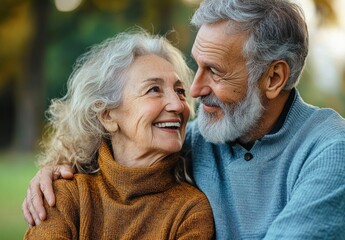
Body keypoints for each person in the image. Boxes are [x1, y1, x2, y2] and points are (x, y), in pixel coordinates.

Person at [23, 0, 345, 239]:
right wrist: (54, 172)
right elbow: (126, 151)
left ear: (273, 78)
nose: (193, 90)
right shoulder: (198, 138)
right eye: (197, 66)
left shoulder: (331, 153)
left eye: (215, 71)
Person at [23, 29, 215, 239]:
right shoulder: (64, 195)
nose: (178, 105)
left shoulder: (190, 211)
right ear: (107, 116)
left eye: (180, 91)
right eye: (154, 89)